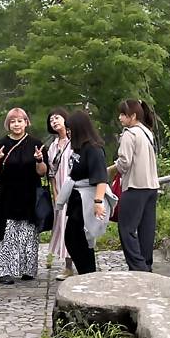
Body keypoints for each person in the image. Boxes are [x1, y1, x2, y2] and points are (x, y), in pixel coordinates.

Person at [0, 108, 47, 284]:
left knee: (27, 232)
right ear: (8, 124)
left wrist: (39, 159)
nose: (16, 124)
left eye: (20, 121)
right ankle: (2, 270)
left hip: (29, 193)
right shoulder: (0, 144)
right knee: (5, 232)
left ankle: (27, 268)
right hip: (7, 195)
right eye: (13, 121)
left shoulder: (37, 144)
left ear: (26, 122)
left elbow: (43, 172)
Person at [56, 110, 111, 275]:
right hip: (76, 196)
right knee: (73, 237)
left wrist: (98, 202)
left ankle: (88, 273)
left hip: (87, 198)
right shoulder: (78, 148)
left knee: (79, 238)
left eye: (71, 130)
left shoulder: (94, 149)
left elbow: (101, 178)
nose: (69, 134)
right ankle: (86, 272)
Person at [112, 99, 159, 272]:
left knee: (127, 230)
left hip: (134, 186)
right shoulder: (147, 132)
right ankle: (147, 264)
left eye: (123, 115)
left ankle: (138, 267)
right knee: (146, 228)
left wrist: (113, 167)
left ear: (132, 116)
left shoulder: (129, 134)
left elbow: (124, 162)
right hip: (151, 186)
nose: (120, 118)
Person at [45, 108, 74, 280]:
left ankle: (84, 262)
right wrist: (55, 192)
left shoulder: (75, 140)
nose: (54, 122)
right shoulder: (53, 146)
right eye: (51, 120)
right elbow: (51, 173)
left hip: (77, 189)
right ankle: (68, 266)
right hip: (61, 192)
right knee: (64, 228)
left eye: (57, 118)